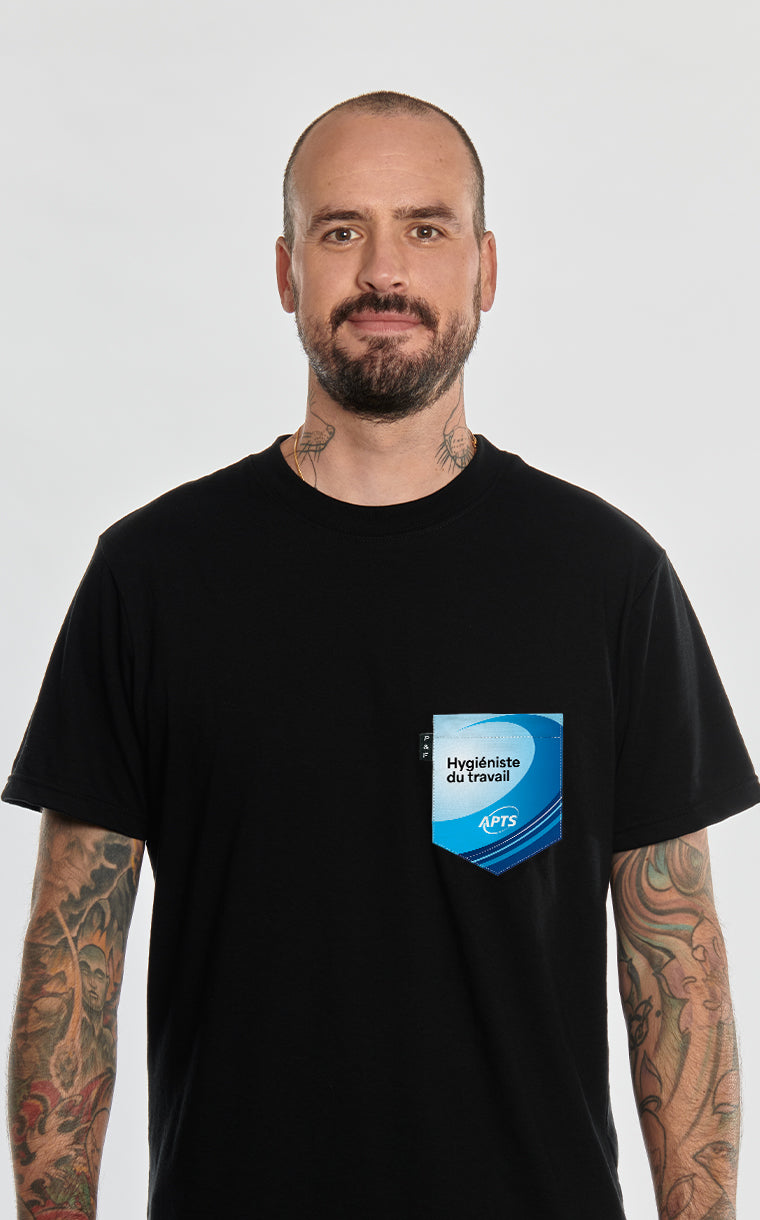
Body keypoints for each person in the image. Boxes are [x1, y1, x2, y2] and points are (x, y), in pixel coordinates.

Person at [3, 90, 758, 1219]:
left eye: (426, 227)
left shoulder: (605, 577)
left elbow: (675, 965)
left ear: (485, 268)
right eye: (341, 229)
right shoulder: (153, 576)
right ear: (286, 271)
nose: (383, 271)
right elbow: (74, 960)